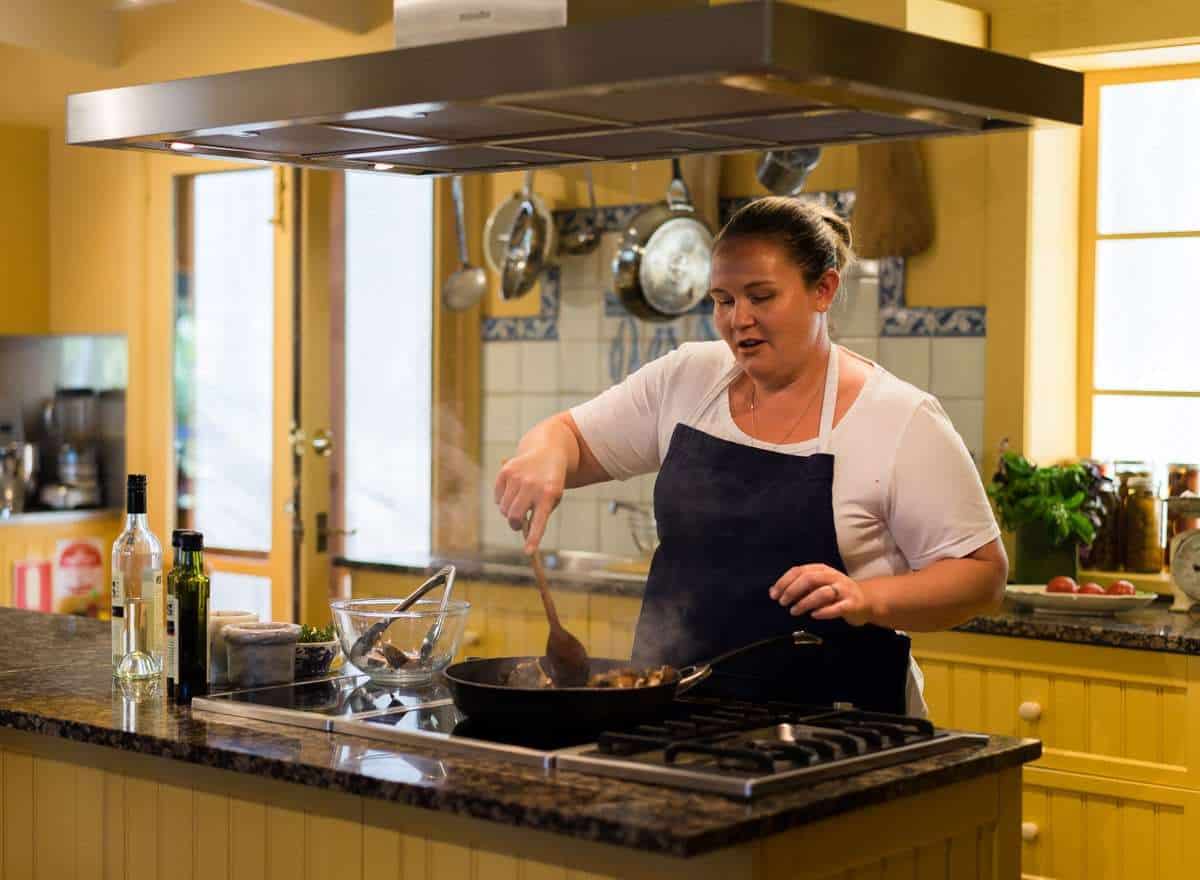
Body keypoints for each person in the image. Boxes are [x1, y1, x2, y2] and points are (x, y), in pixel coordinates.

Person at [493, 196, 1007, 716]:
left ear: (823, 290)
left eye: (761, 297)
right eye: (723, 300)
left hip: (840, 730)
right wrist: (543, 453)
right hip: (675, 721)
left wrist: (868, 598)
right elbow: (568, 436)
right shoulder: (687, 378)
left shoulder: (900, 418)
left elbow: (981, 575)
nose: (739, 320)